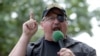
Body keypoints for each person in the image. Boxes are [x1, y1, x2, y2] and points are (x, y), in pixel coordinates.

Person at [9, 3, 96, 56]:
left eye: (60, 17)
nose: (56, 22)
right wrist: (26, 35)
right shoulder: (31, 50)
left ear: (67, 23)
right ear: (42, 24)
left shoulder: (86, 51)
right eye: (51, 18)